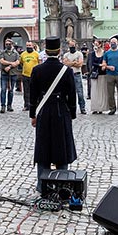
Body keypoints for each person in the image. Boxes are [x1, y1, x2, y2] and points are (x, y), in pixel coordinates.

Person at [29, 37, 77, 192]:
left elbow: (33, 95)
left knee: (44, 147)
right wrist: (72, 113)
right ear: (58, 51)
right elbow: (72, 94)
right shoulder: (67, 70)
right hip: (61, 110)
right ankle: (62, 184)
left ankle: (42, 185)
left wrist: (33, 115)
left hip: (43, 111)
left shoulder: (37, 70)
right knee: (61, 147)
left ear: (46, 51)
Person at [102, 38, 118, 115]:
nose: (113, 44)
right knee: (110, 93)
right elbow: (103, 64)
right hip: (110, 75)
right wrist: (108, 67)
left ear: (117, 43)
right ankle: (112, 108)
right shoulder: (107, 53)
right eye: (111, 42)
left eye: (114, 42)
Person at [61, 39, 87, 115]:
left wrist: (70, 63)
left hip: (77, 74)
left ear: (76, 45)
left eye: (73, 45)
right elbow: (65, 63)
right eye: (70, 45)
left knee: (80, 93)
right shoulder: (66, 55)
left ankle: (82, 107)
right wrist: (74, 62)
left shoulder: (79, 54)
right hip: (68, 75)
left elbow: (80, 64)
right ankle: (69, 107)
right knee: (68, 93)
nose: (72, 47)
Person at [0, 39, 20, 113]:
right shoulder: (2, 52)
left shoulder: (16, 53)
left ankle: (9, 105)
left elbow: (17, 62)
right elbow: (2, 61)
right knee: (3, 89)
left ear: (12, 44)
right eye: (6, 44)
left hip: (13, 74)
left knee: (11, 90)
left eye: (9, 44)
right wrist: (11, 63)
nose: (7, 45)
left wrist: (9, 67)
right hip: (4, 74)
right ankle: (3, 106)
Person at [88, 39, 108, 114]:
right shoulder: (93, 53)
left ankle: (101, 108)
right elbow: (93, 62)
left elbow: (106, 61)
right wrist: (100, 65)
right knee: (95, 91)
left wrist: (104, 65)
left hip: (103, 73)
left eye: (96, 44)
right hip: (95, 74)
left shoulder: (104, 53)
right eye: (94, 44)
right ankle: (95, 107)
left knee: (102, 91)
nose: (95, 45)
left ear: (100, 44)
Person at [19, 42, 40, 111]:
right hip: (25, 75)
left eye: (30, 45)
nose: (28, 47)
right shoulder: (23, 54)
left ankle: (36, 105)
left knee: (35, 91)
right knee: (26, 91)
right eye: (27, 45)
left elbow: (40, 63)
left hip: (35, 75)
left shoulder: (36, 54)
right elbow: (21, 63)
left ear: (33, 46)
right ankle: (27, 105)